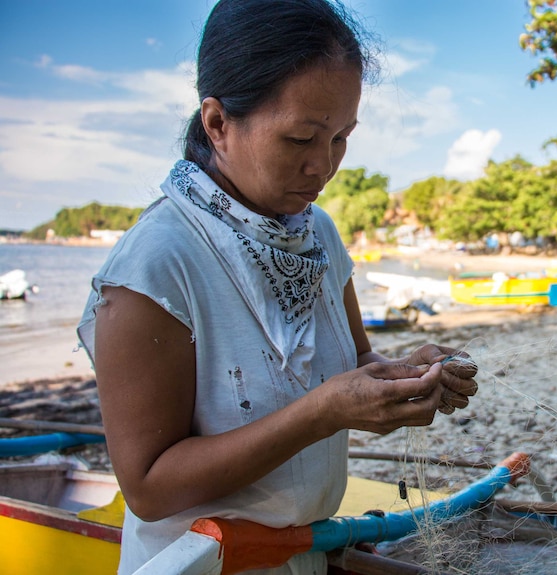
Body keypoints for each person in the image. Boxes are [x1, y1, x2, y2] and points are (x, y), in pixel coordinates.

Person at [76, 1, 478, 573]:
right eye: (299, 139)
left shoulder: (317, 235)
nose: (324, 165)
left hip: (302, 554)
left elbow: (355, 358)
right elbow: (148, 485)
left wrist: (408, 374)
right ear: (217, 124)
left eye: (341, 137)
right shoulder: (157, 263)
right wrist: (322, 413)